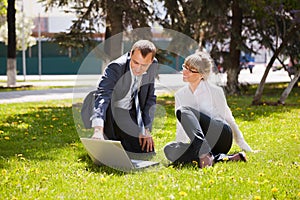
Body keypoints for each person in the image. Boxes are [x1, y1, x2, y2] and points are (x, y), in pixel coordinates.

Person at [164, 52, 253, 168]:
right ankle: (219, 158)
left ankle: (204, 152)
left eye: (191, 70)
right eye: (185, 67)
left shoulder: (215, 91)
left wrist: (244, 145)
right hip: (202, 142)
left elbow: (228, 119)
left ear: (202, 74)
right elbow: (181, 126)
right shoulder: (180, 95)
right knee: (169, 149)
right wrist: (179, 147)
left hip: (221, 136)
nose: (185, 71)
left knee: (183, 110)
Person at [90, 40, 158, 156]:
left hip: (129, 113)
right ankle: (103, 136)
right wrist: (98, 130)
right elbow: (102, 96)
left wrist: (145, 128)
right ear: (131, 54)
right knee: (111, 152)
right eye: (136, 63)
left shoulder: (153, 66)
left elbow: (150, 99)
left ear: (151, 62)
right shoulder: (116, 67)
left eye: (144, 65)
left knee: (146, 151)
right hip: (111, 113)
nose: (138, 69)